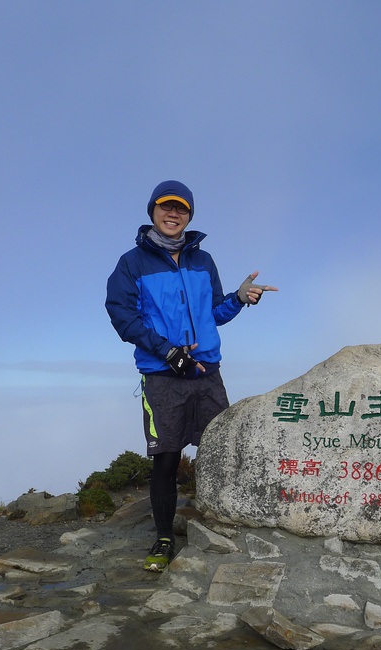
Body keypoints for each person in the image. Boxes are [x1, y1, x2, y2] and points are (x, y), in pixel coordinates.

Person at [105, 180, 277, 572]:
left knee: (221, 447)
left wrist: (239, 298)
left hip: (206, 372)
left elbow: (213, 313)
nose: (173, 214)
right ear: (152, 212)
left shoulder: (204, 261)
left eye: (181, 209)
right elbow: (122, 315)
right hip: (162, 375)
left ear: (189, 216)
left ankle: (229, 522)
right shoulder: (132, 263)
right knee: (166, 458)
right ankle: (164, 536)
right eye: (165, 207)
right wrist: (167, 351)